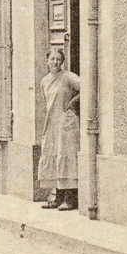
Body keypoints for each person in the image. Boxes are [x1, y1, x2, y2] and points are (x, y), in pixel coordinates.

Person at [37, 48, 82, 210]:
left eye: (58, 59)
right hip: (52, 123)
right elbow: (47, 102)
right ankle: (58, 197)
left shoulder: (68, 77)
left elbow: (87, 86)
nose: (55, 62)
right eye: (52, 59)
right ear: (47, 61)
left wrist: (73, 102)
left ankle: (70, 199)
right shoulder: (44, 81)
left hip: (67, 123)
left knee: (67, 156)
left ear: (62, 62)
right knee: (55, 155)